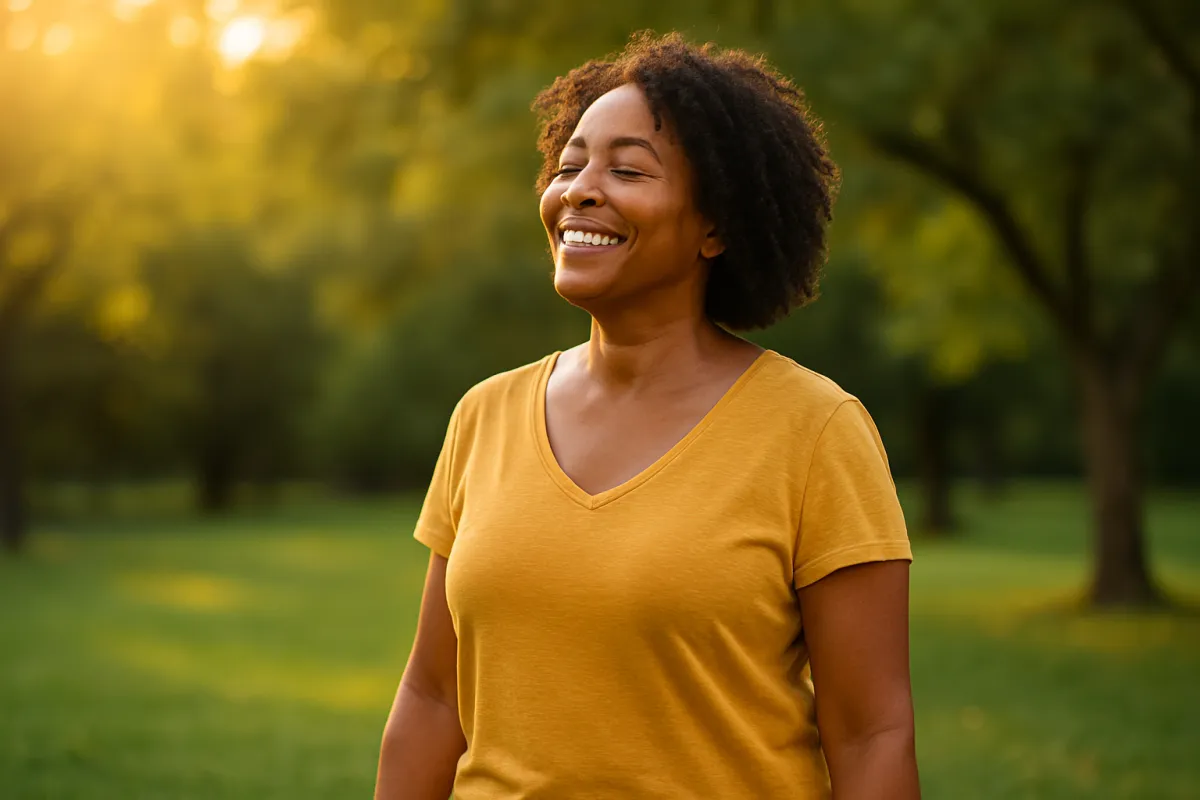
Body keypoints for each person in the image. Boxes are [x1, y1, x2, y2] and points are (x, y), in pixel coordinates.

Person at [375, 31, 919, 800]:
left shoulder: (815, 430)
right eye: (569, 165)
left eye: (626, 169)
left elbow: (872, 737)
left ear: (716, 228)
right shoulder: (484, 415)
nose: (580, 190)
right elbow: (433, 699)